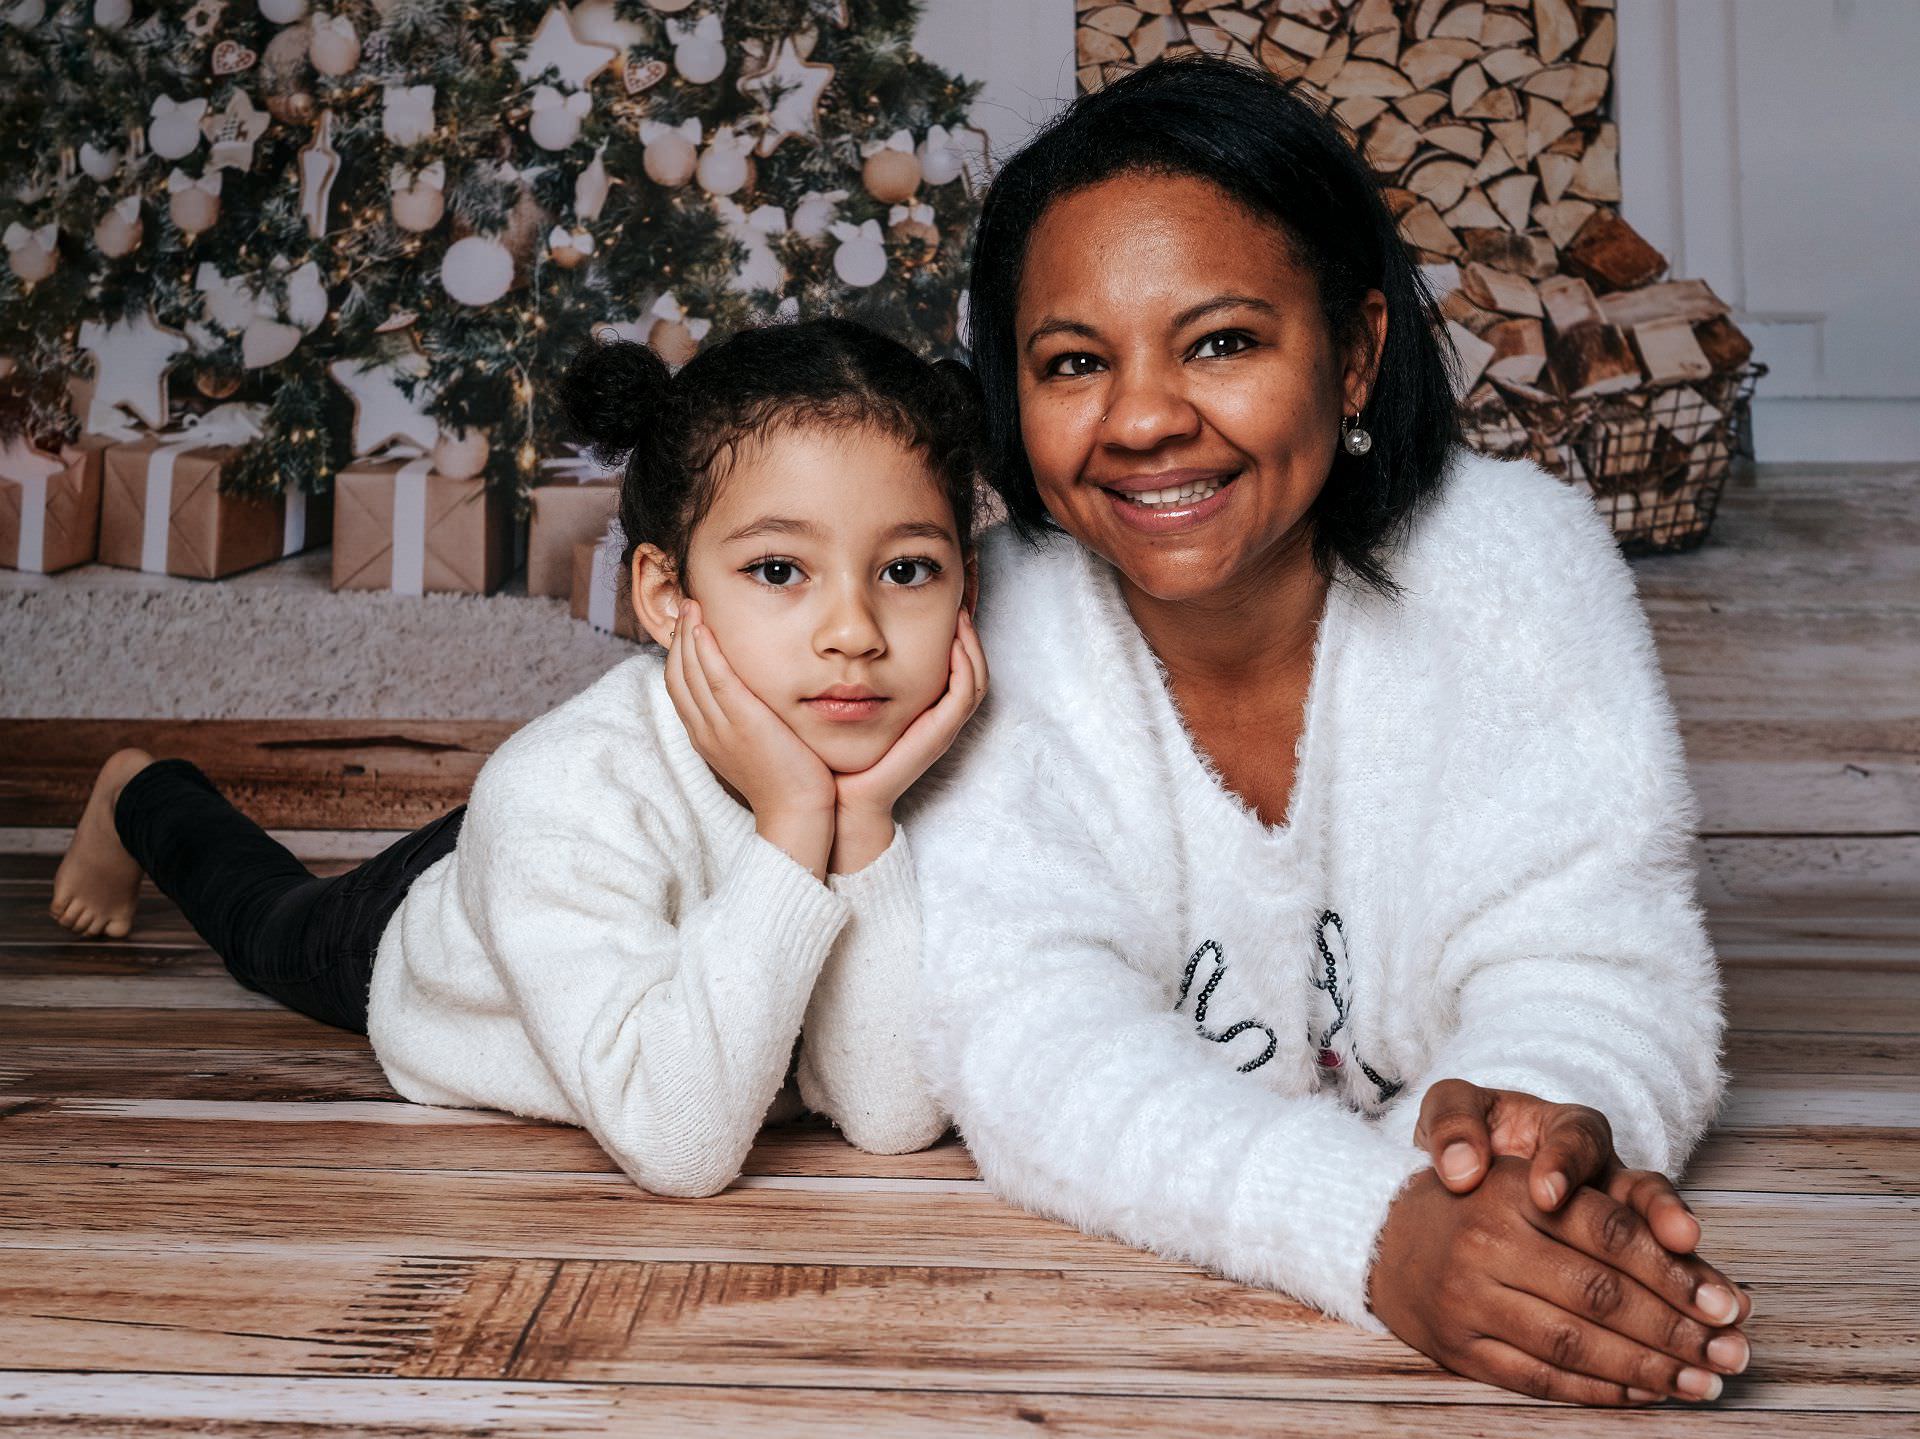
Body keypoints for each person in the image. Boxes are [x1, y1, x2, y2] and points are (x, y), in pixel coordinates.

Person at [905, 57, 1748, 1406]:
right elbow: (1029, 1041)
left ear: (1353, 353)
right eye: (1073, 362)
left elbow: (1598, 950)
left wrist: (1527, 1139)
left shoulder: (1513, 563)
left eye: (1221, 341)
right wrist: (1374, 1230)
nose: (1141, 418)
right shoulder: (987, 623)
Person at [49, 317, 987, 1194]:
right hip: (434, 923)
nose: (855, 632)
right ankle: (142, 791)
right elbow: (681, 1143)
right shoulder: (563, 791)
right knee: (268, 926)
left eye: (907, 570)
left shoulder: (912, 766)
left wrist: (857, 823)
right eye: (778, 571)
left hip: (581, 852)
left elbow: (891, 1116)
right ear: (665, 593)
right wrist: (793, 823)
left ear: (966, 585)